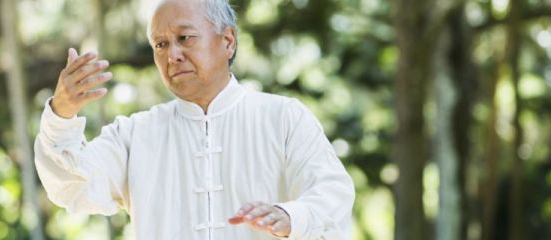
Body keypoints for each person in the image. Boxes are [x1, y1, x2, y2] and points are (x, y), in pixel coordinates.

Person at [34, 0, 355, 239]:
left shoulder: (283, 118)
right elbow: (69, 185)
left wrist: (291, 216)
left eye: (185, 38)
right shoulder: (134, 135)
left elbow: (333, 194)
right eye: (161, 44)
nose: (172, 55)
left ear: (227, 41)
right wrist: (62, 113)